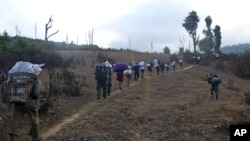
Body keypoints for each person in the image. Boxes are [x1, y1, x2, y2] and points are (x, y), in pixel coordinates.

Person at [7, 62, 44, 141]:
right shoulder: (36, 81)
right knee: (35, 120)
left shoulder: (20, 80)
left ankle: (13, 138)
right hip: (29, 104)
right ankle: (36, 137)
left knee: (15, 121)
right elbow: (35, 94)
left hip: (17, 102)